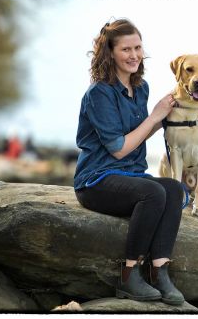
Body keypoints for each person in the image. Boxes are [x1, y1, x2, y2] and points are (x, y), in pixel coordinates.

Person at [73, 19, 185, 306]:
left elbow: (142, 132)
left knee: (173, 189)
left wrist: (171, 116)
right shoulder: (99, 93)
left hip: (130, 176)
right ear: (110, 54)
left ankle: (159, 271)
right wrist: (154, 117)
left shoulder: (141, 88)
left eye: (137, 47)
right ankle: (128, 274)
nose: (134, 55)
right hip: (96, 180)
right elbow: (120, 150)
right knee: (153, 192)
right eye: (126, 49)